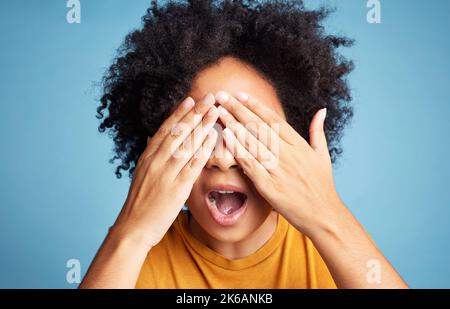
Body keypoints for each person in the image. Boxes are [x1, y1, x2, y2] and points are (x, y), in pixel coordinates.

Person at [80, 0, 408, 288]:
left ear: (298, 148)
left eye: (250, 131)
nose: (224, 159)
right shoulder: (130, 263)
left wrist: (329, 216)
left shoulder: (337, 260)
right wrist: (130, 234)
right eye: (201, 130)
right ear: (157, 149)